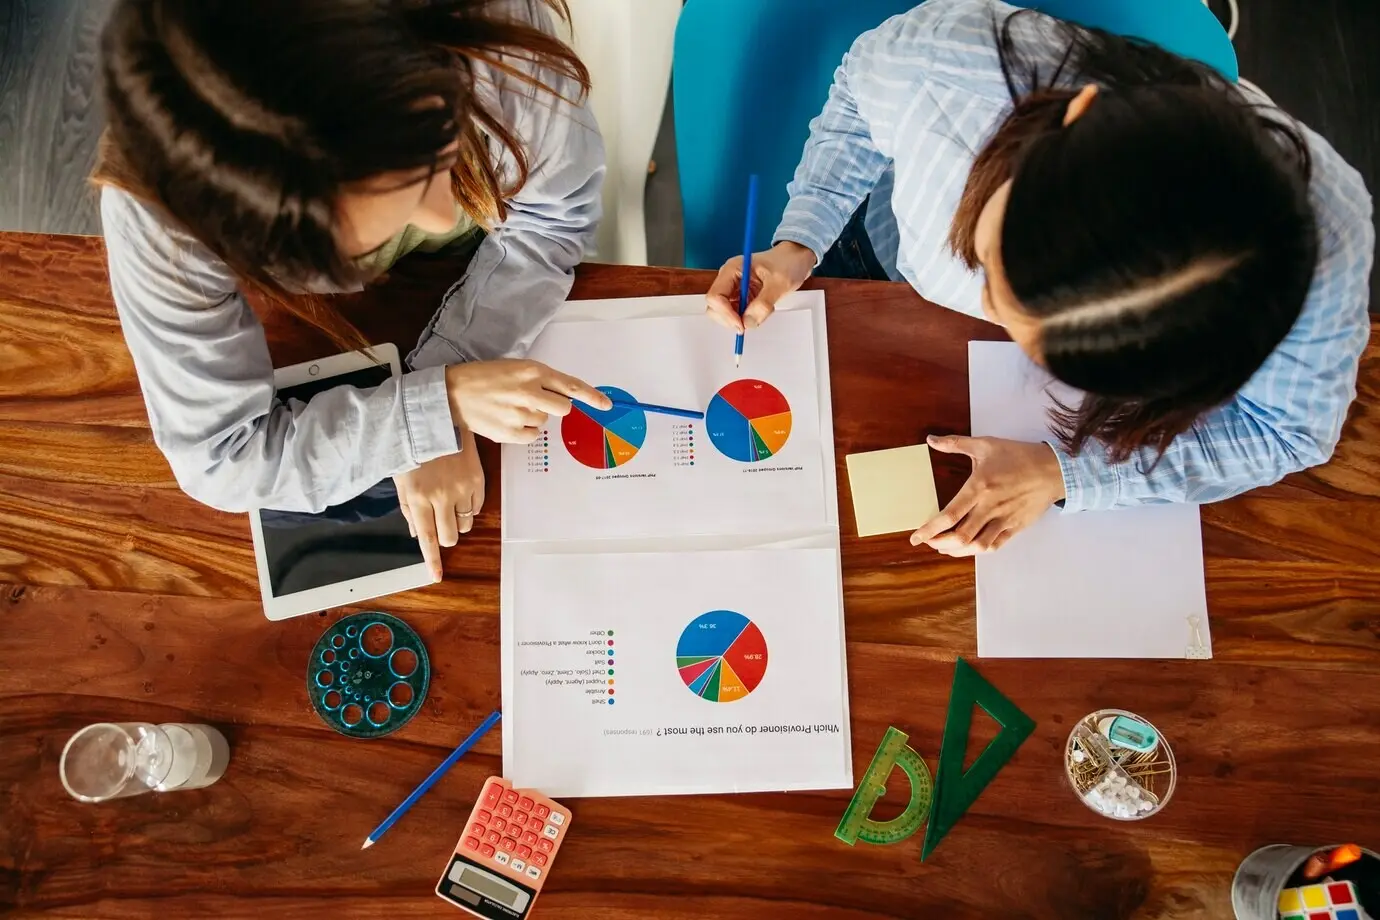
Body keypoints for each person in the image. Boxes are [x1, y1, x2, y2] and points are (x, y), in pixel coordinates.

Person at [706, 0, 1373, 555]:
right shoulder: (943, 69)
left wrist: (1061, 472)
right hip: (876, 262)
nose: (988, 307)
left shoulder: (1324, 243)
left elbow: (1288, 431)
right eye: (994, 261)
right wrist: (799, 243)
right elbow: (856, 97)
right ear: (1079, 115)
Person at [96, 0, 612, 579]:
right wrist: (431, 411)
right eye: (395, 206)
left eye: (439, 151)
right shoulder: (164, 220)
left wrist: (444, 385)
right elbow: (220, 457)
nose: (445, 216)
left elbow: (552, 220)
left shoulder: (490, 37)